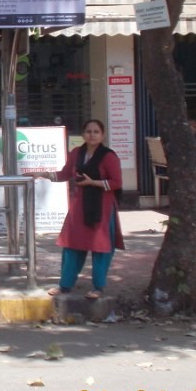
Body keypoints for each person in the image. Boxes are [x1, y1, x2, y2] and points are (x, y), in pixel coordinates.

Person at [39, 119, 124, 299]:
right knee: (72, 245)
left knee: (101, 247)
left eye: (96, 132)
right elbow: (63, 174)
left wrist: (93, 182)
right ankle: (65, 285)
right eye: (88, 131)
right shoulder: (77, 153)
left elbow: (117, 183)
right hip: (79, 206)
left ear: (103, 135)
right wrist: (42, 174)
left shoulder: (109, 156)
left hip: (102, 207)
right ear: (83, 134)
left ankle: (98, 287)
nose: (92, 135)